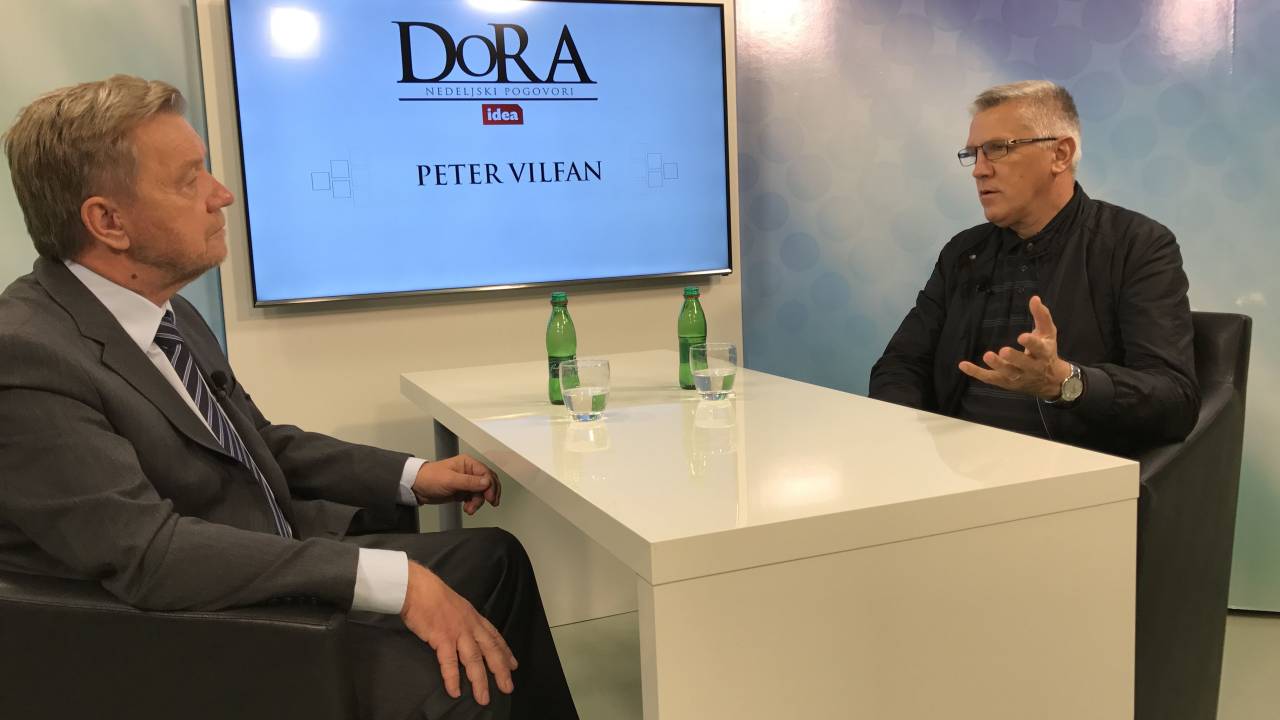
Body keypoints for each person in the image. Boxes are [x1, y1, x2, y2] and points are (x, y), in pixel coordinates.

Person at [0, 75, 577, 720]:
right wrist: (397, 583)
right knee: (467, 680)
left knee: (494, 558)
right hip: (201, 630)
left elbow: (261, 442)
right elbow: (149, 554)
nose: (221, 194)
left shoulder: (166, 313)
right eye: (189, 180)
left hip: (265, 558)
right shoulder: (26, 355)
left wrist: (413, 475)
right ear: (108, 222)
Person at [869, 80, 1199, 457]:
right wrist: (906, 446)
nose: (979, 171)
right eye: (973, 154)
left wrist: (1065, 382)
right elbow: (901, 364)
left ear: (1060, 154)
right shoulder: (964, 252)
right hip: (951, 468)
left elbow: (1176, 400)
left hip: (1068, 474)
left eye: (997, 149)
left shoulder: (1136, 245)